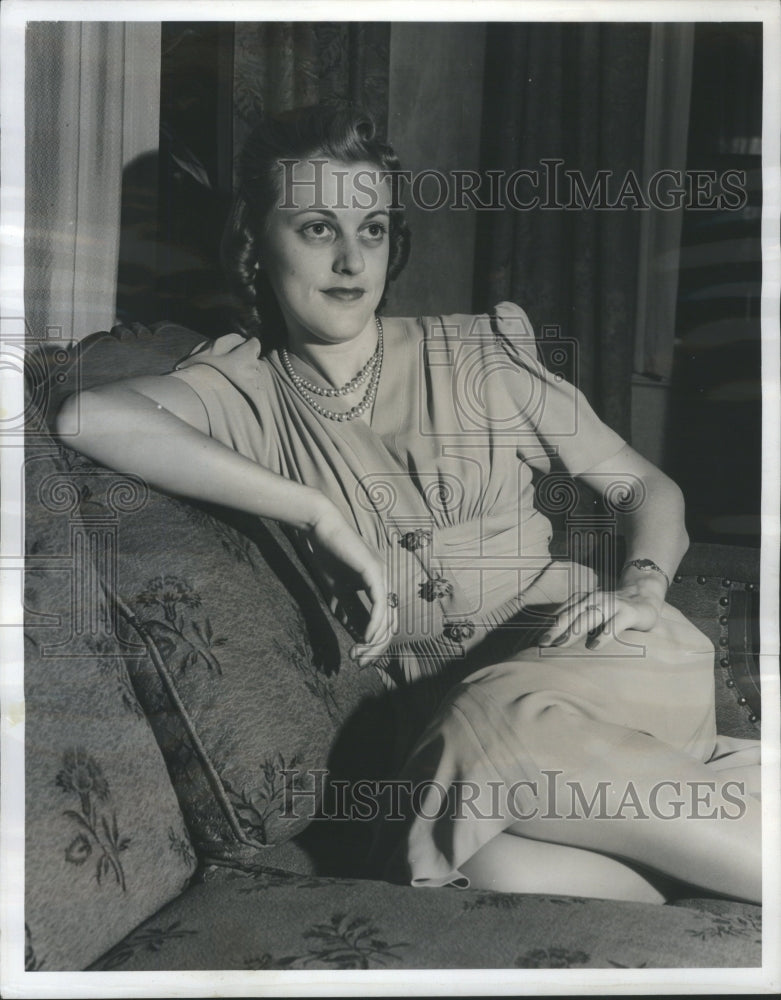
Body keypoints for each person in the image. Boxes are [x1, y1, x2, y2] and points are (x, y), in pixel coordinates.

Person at [57, 104, 761, 905]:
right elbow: (88, 416)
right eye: (318, 228)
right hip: (457, 734)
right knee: (491, 867)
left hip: (605, 659)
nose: (352, 260)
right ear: (255, 244)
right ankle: (722, 843)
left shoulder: (474, 357)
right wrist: (312, 510)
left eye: (374, 229)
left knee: (493, 728)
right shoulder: (242, 391)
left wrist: (638, 590)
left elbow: (649, 490)